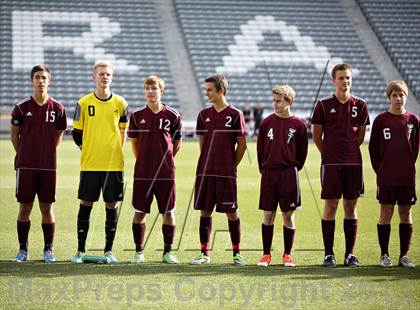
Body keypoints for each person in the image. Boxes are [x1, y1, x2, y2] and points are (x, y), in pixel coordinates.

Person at [311, 63, 370, 268]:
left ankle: (350, 254)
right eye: (342, 78)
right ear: (333, 80)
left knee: (350, 206)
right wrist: (329, 154)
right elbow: (317, 136)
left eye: (348, 78)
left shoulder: (361, 105)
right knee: (330, 205)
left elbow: (360, 136)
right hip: (331, 163)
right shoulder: (323, 105)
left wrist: (348, 150)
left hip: (353, 162)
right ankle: (329, 254)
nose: (345, 81)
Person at [71, 60, 128, 264]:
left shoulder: (121, 103)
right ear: (93, 77)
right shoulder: (83, 103)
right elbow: (76, 133)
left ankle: (108, 251)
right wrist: (88, 149)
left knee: (111, 206)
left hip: (113, 165)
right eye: (101, 74)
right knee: (86, 203)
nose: (105, 77)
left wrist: (113, 150)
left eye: (108, 75)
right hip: (90, 164)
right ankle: (79, 251)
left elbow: (123, 131)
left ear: (112, 78)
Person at [10, 64, 67, 263]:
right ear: (31, 80)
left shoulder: (58, 108)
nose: (41, 81)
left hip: (48, 166)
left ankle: (48, 250)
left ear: (49, 81)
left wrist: (46, 152)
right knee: (24, 208)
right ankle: (23, 250)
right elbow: (14, 136)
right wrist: (25, 154)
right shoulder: (21, 107)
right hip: (26, 166)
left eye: (44, 77)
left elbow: (58, 135)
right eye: (37, 77)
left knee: (46, 208)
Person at [191, 74, 247, 265]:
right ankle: (204, 254)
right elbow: (202, 145)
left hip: (226, 174)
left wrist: (231, 165)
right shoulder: (203, 115)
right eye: (206, 89)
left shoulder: (235, 114)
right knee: (205, 211)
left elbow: (242, 145)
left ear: (221, 91)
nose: (206, 93)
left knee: (232, 212)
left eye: (209, 90)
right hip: (206, 172)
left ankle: (237, 253)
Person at [128, 76, 182, 264]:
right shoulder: (136, 116)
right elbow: (134, 145)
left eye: (154, 88)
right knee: (140, 212)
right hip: (143, 172)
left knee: (168, 212)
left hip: (166, 173)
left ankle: (167, 252)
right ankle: (138, 251)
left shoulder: (173, 116)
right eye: (147, 88)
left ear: (161, 91)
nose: (151, 91)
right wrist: (144, 160)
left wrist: (164, 161)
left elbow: (176, 144)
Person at [256, 85, 308, 267]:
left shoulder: (299, 125)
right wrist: (265, 167)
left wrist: (291, 168)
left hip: (289, 175)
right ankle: (265, 255)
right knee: (268, 215)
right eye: (274, 100)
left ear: (289, 102)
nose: (275, 104)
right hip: (269, 173)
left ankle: (287, 254)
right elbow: (260, 151)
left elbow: (302, 155)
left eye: (279, 101)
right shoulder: (266, 123)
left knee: (288, 215)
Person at [369, 80, 418, 268]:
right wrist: (381, 170)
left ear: (406, 96)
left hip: (406, 176)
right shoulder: (381, 120)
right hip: (386, 176)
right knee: (386, 212)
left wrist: (406, 165)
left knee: (406, 213)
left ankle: (404, 256)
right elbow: (373, 149)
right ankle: (384, 255)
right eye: (395, 95)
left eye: (402, 94)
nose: (398, 98)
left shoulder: (413, 120)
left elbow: (415, 149)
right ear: (389, 97)